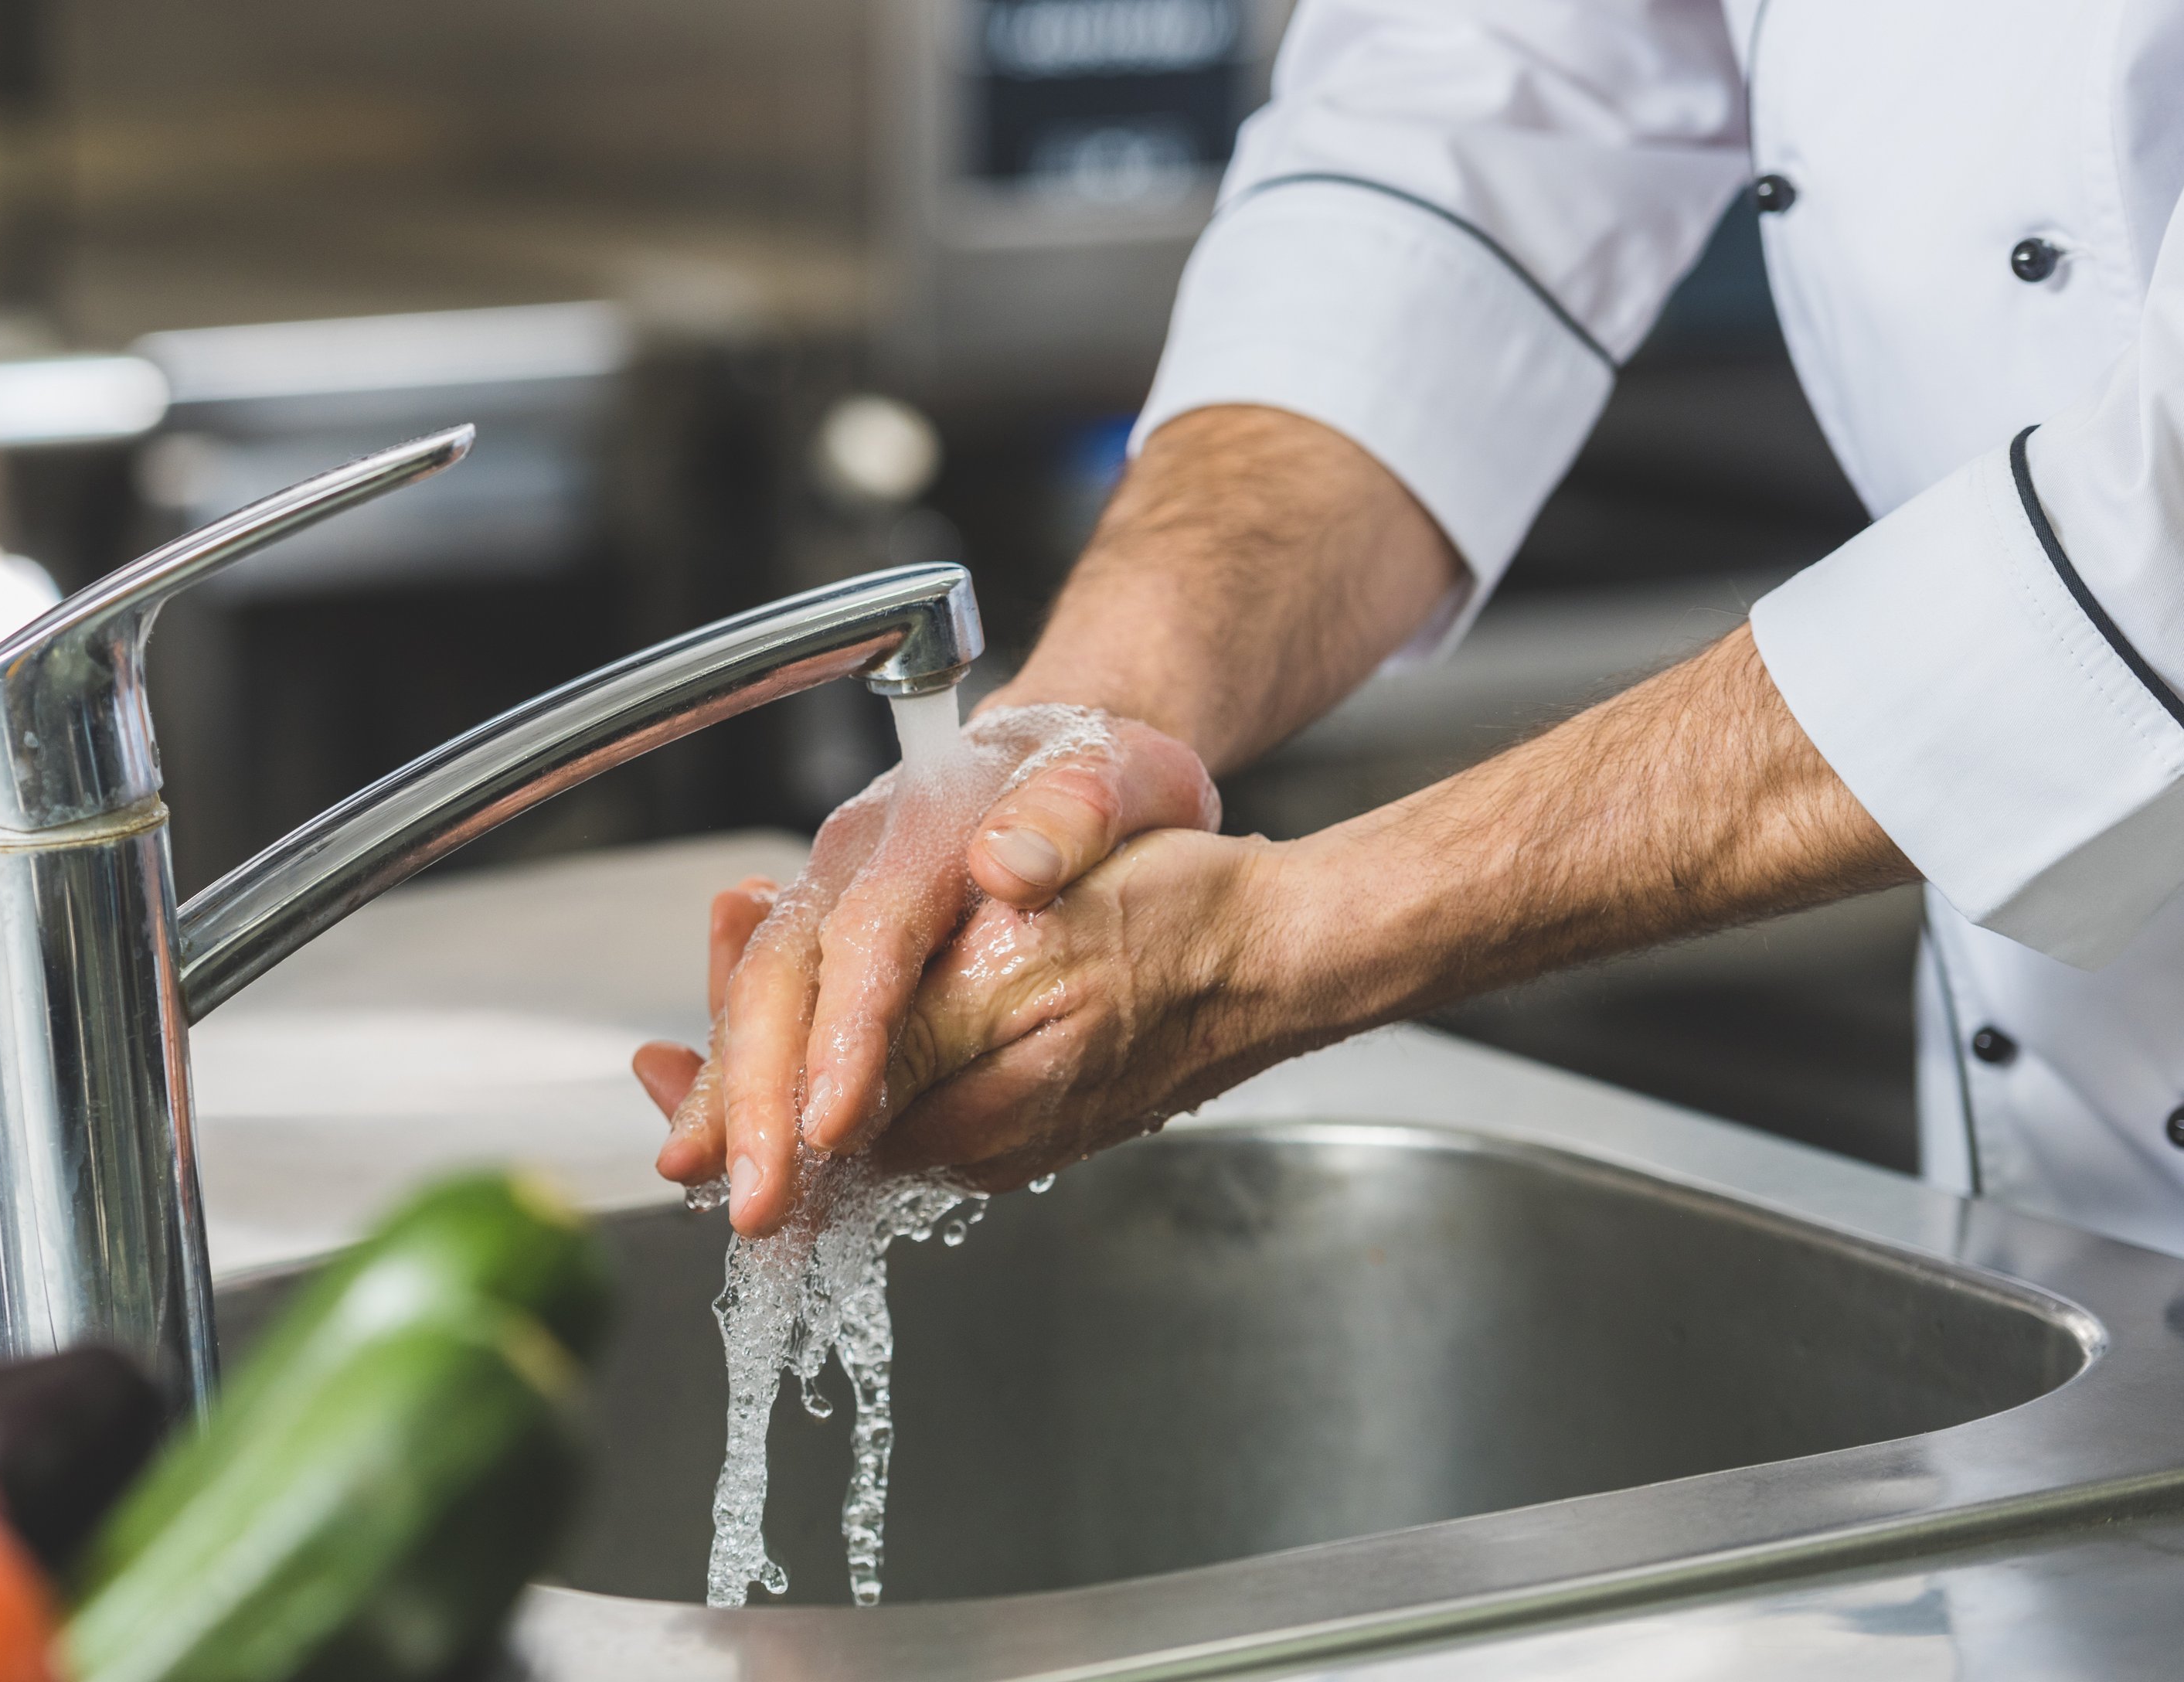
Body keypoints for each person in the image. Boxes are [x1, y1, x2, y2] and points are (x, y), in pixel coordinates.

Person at [634, 0, 2184, 1251]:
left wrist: (1278, 941)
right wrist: (1063, 745)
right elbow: (1460, 132)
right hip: (2079, 1203)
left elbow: (2155, 543)